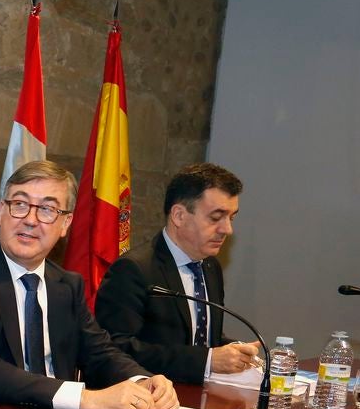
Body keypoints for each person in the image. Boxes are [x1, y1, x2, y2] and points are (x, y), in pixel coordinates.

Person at [0, 160, 178, 409]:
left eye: (48, 209)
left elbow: (100, 353)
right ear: (2, 212)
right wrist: (88, 399)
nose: (30, 219)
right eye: (20, 204)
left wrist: (143, 381)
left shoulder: (66, 285)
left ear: (65, 224)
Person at [95, 163, 258, 383]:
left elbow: (200, 337)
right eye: (216, 217)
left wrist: (234, 351)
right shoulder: (133, 269)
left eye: (232, 217)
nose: (227, 229)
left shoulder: (210, 267)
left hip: (199, 395)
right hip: (150, 400)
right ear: (179, 215)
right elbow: (116, 350)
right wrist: (207, 360)